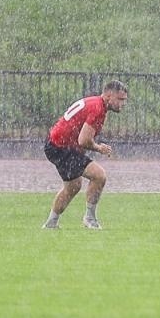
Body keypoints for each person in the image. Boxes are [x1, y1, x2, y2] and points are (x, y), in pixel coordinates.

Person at [43, 81, 128, 230]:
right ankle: (90, 219)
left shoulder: (96, 103)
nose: (123, 103)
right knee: (99, 175)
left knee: (73, 187)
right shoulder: (98, 109)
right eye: (120, 99)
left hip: (56, 144)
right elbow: (83, 140)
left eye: (125, 100)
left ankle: (51, 223)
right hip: (61, 147)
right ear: (109, 96)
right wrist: (99, 148)